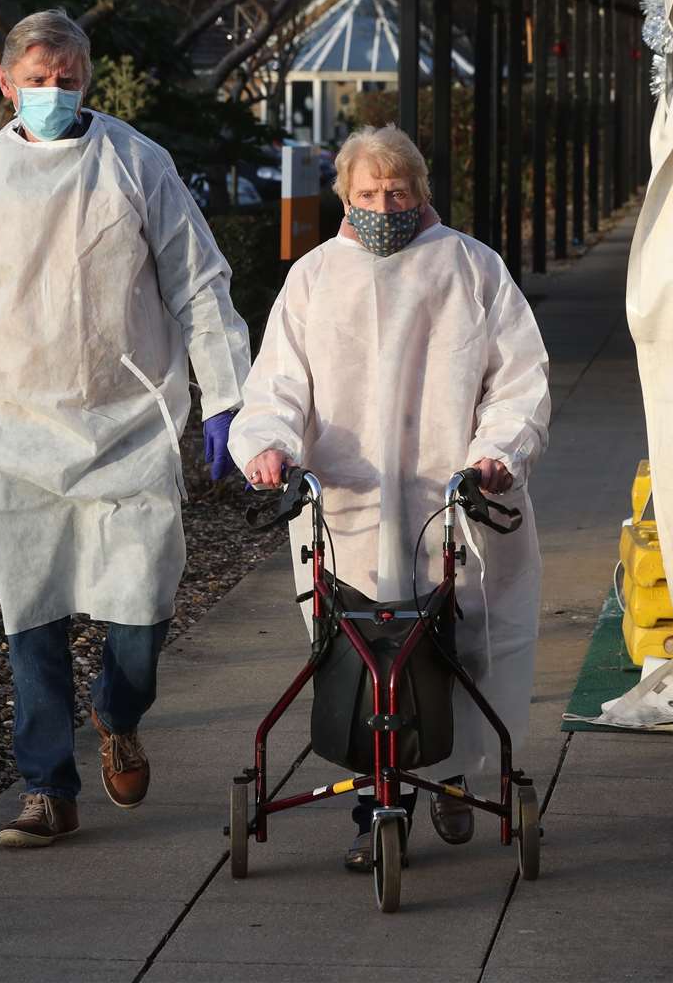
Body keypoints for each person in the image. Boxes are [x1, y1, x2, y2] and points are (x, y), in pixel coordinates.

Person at [0, 9, 249, 849]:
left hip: (126, 423)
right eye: (38, 77)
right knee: (33, 619)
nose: (52, 92)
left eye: (67, 78)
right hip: (16, 429)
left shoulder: (137, 163)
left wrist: (225, 394)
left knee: (141, 616)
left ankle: (117, 711)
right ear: (5, 82)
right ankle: (46, 789)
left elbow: (198, 284)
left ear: (87, 78)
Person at [228, 125, 551, 871]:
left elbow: (519, 381)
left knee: (461, 646)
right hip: (348, 508)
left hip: (452, 501)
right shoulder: (314, 278)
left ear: (422, 190)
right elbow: (277, 384)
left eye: (396, 191)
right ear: (344, 196)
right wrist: (270, 447)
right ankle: (380, 802)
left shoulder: (472, 269)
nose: (383, 205)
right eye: (367, 193)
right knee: (363, 656)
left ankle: (450, 774)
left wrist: (497, 456)